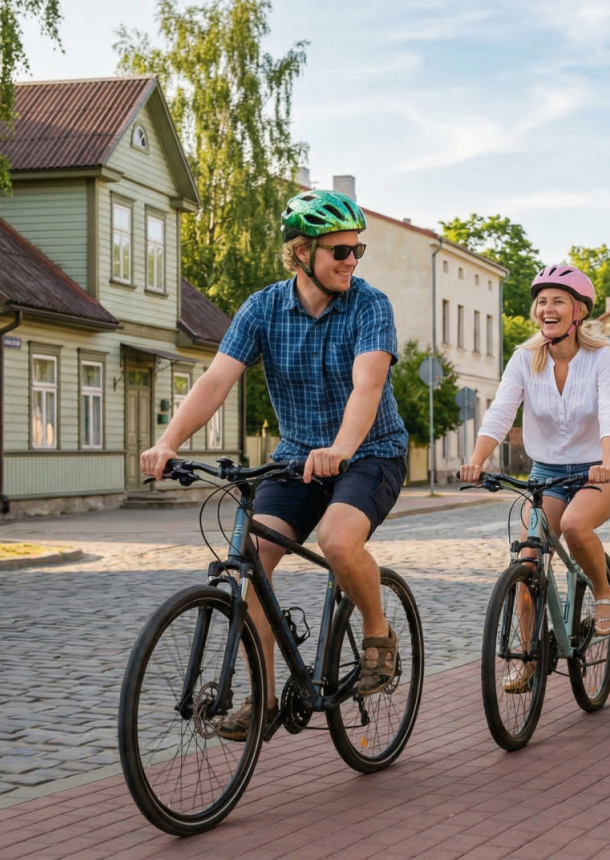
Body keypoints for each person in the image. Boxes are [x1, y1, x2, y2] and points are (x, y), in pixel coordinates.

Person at [140, 189, 409, 741]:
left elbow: (369, 384)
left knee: (337, 542)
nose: (351, 261)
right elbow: (216, 379)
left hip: (371, 452)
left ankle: (379, 635)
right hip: (294, 460)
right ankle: (262, 696)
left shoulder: (369, 305)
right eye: (339, 251)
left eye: (357, 250)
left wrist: (340, 446)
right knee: (251, 565)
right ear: (300, 253)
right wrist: (167, 441)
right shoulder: (263, 307)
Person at [460, 264, 610, 693]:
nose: (546, 308)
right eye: (541, 301)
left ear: (578, 312)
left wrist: (608, 458)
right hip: (547, 474)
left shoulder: (603, 356)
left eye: (558, 300)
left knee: (574, 525)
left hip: (598, 470)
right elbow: (500, 412)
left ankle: (604, 594)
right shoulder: (524, 357)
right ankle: (526, 656)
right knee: (527, 559)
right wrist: (476, 460)